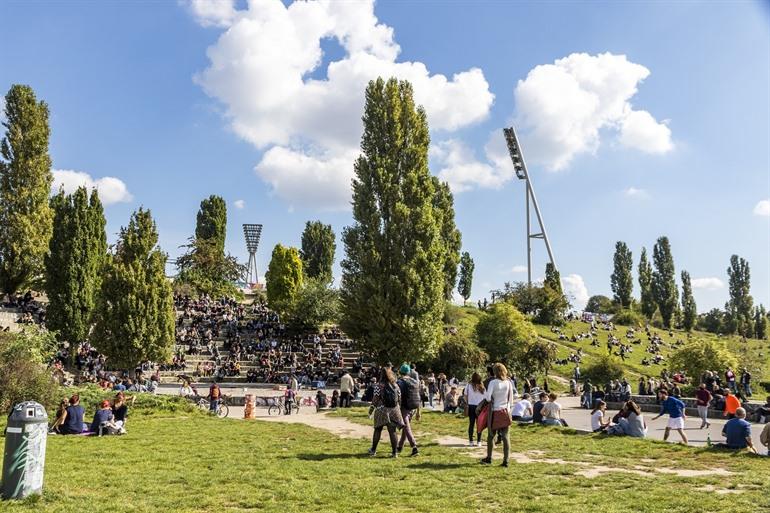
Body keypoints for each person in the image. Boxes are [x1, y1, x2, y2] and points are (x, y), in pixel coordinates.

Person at [480, 363, 513, 467]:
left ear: (494, 372)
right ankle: (506, 461)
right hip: (505, 411)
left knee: (491, 435)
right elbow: (511, 400)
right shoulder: (508, 383)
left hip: (494, 411)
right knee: (506, 437)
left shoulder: (493, 382)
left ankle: (489, 458)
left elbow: (488, 398)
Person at [368, 367, 403, 457]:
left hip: (381, 410)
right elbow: (399, 399)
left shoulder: (378, 386)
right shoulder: (395, 385)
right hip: (394, 410)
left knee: (378, 430)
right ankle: (394, 453)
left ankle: (373, 450)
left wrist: (371, 410)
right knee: (392, 431)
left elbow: (375, 399)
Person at [396, 363, 420, 456]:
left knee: (406, 427)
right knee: (406, 427)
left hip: (404, 407)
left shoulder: (400, 382)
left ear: (400, 372)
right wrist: (418, 411)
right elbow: (418, 396)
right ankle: (400, 446)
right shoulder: (414, 381)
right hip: (413, 407)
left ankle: (414, 447)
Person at [463, 372, 485, 446]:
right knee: (479, 424)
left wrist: (467, 402)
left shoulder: (468, 385)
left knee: (471, 424)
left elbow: (465, 395)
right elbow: (485, 397)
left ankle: (471, 441)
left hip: (471, 406)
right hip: (480, 407)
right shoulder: (482, 386)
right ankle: (479, 441)